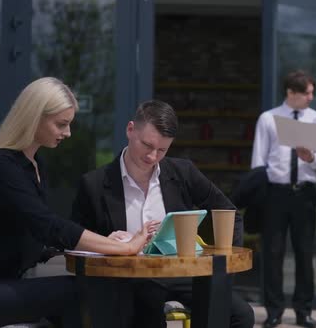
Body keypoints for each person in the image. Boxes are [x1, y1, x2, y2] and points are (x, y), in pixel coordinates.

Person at [0, 77, 158, 328]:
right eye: (61, 124)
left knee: (112, 287)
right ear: (35, 117)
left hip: (1, 284)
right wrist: (122, 248)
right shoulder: (1, 166)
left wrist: (102, 244)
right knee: (80, 292)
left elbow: (37, 238)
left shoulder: (34, 166)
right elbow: (48, 226)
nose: (68, 133)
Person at [70, 99, 254, 328]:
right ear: (130, 130)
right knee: (146, 309)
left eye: (162, 150)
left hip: (180, 273)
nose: (153, 157)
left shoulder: (183, 172)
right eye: (147, 145)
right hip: (127, 279)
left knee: (240, 315)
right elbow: (73, 239)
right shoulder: (94, 184)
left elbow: (228, 213)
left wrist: (220, 276)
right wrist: (103, 242)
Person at [251, 70, 316, 328]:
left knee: (305, 252)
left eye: (312, 92)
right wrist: (259, 194)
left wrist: (310, 158)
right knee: (272, 253)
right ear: (291, 93)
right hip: (275, 192)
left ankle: (303, 310)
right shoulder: (268, 118)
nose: (311, 97)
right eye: (306, 93)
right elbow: (258, 160)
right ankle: (274, 310)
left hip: (304, 192)